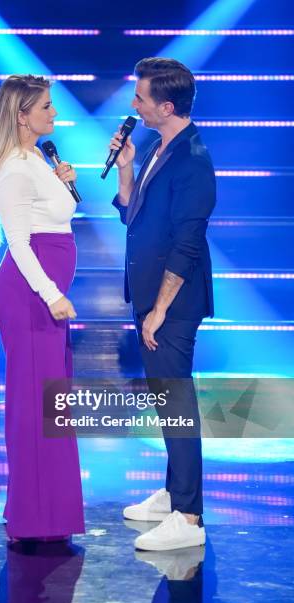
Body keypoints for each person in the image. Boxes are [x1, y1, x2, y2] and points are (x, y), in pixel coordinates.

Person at [110, 57, 216, 551]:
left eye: (141, 98)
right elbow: (134, 214)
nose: (134, 105)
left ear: (166, 105)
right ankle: (175, 493)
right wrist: (126, 170)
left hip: (171, 303)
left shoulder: (194, 161)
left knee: (178, 405)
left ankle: (189, 517)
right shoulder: (157, 146)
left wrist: (159, 309)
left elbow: (186, 246)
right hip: (149, 294)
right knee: (165, 402)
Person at [0, 74, 85, 543]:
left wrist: (67, 186)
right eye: (46, 107)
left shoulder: (37, 161)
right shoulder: (13, 168)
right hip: (29, 295)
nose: (54, 114)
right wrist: (51, 294)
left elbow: (55, 221)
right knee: (36, 402)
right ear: (22, 115)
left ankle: (45, 512)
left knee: (49, 402)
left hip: (42, 293)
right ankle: (33, 518)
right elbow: (20, 245)